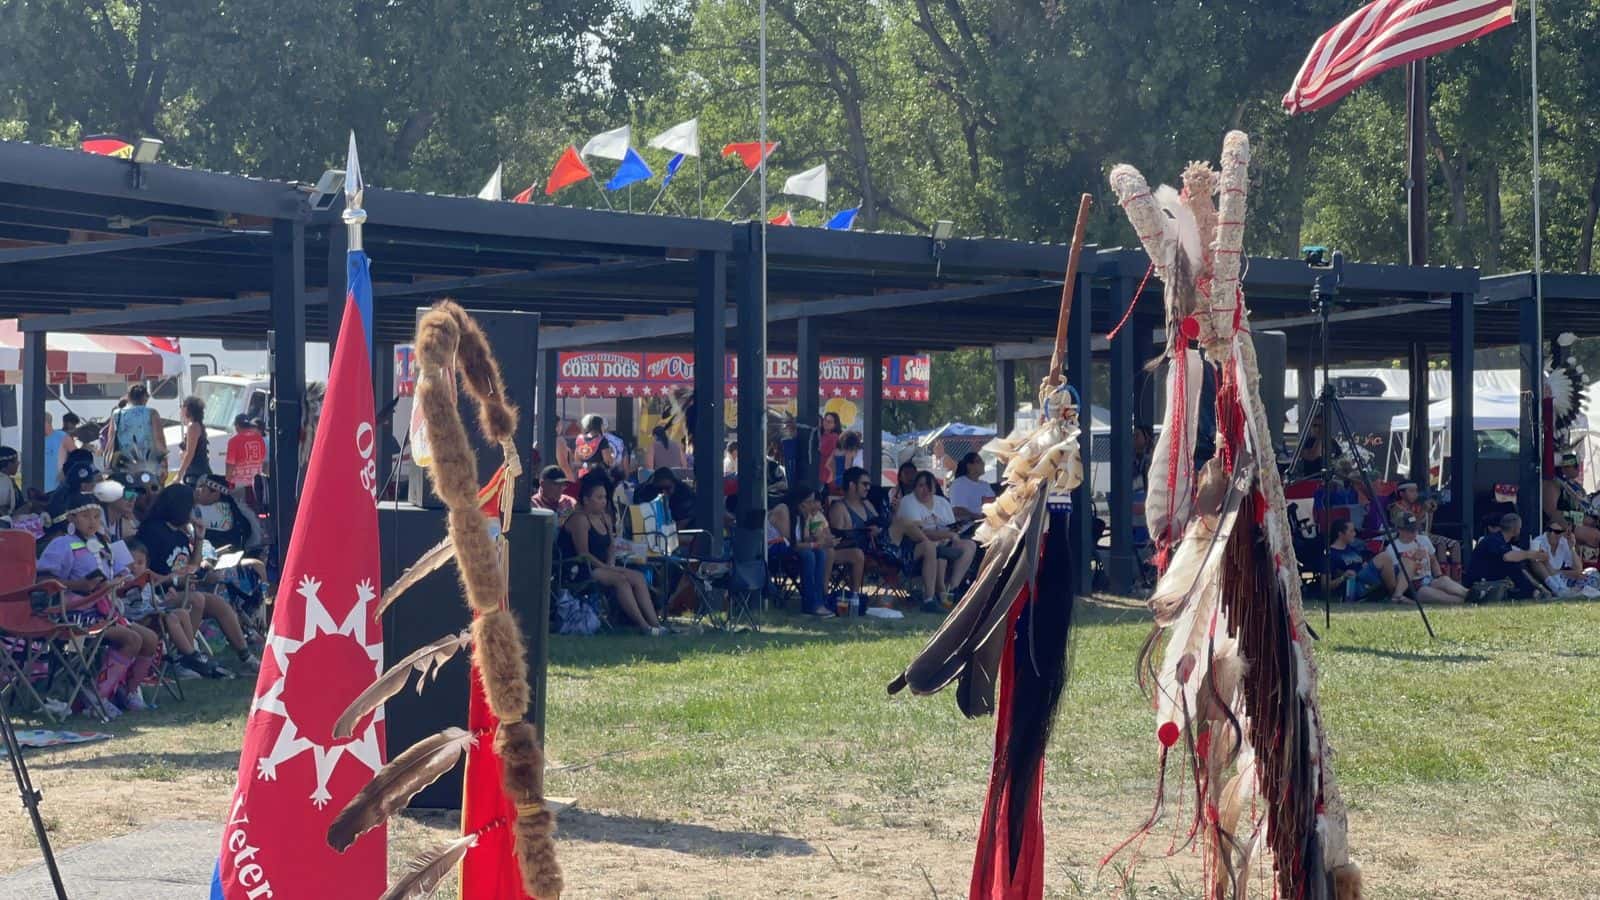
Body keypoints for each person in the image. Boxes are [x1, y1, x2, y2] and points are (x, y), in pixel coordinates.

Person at [35, 494, 162, 713]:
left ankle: (126, 691)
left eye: (96, 516)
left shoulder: (102, 542)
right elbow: (43, 581)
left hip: (105, 608)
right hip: (73, 613)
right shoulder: (62, 543)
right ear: (72, 518)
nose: (92, 521)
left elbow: (123, 573)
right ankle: (96, 697)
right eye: (86, 516)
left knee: (150, 639)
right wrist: (80, 584)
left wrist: (129, 581)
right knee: (131, 639)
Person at [136, 483, 259, 673]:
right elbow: (143, 572)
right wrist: (174, 580)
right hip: (156, 593)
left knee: (219, 604)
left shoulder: (180, 533)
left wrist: (199, 539)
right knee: (196, 600)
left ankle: (246, 656)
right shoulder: (152, 532)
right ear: (178, 506)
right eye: (190, 506)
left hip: (181, 589)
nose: (193, 511)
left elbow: (191, 566)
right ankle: (185, 657)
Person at [562, 474, 666, 635]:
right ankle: (644, 626)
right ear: (586, 499)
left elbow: (612, 545)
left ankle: (656, 624)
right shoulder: (579, 519)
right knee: (621, 580)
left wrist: (610, 564)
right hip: (581, 569)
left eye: (604, 497)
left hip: (603, 566)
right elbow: (584, 554)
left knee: (638, 577)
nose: (603, 501)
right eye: (599, 497)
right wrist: (607, 568)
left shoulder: (605, 518)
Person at [122, 540, 223, 679]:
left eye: (140, 563)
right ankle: (190, 656)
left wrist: (166, 601)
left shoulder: (146, 583)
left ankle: (190, 654)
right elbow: (121, 608)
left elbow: (155, 604)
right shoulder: (122, 584)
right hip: (135, 622)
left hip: (152, 616)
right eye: (130, 563)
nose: (135, 567)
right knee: (172, 617)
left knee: (181, 613)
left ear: (146, 565)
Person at [893, 470, 977, 608]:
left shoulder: (942, 502)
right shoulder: (908, 501)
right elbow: (920, 533)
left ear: (934, 487)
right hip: (918, 546)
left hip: (944, 541)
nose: (925, 489)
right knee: (936, 547)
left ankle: (952, 589)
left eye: (928, 485)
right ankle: (939, 592)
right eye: (921, 485)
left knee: (969, 545)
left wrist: (951, 533)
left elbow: (951, 527)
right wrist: (948, 535)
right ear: (914, 487)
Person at [797, 484, 863, 610]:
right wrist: (821, 540)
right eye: (814, 502)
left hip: (829, 545)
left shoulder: (820, 516)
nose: (818, 505)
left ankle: (855, 596)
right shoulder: (806, 516)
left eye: (818, 502)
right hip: (819, 548)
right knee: (829, 551)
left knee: (857, 553)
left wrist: (833, 539)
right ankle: (824, 591)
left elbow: (828, 532)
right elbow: (808, 537)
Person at [1377, 513, 1467, 604]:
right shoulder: (1393, 548)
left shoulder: (1423, 540)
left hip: (1428, 578)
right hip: (1412, 586)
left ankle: (1469, 593)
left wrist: (1439, 575)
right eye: (1410, 530)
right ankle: (1464, 600)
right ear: (1400, 530)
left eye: (1415, 529)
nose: (1414, 533)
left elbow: (1433, 560)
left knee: (1444, 581)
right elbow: (1396, 574)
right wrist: (1414, 558)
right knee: (1428, 592)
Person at [1464, 512, 1549, 601]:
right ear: (1515, 529)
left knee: (1515, 569)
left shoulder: (1505, 543)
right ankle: (1534, 593)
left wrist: (1540, 587)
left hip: (1490, 581)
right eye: (1520, 528)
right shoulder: (1493, 540)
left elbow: (1519, 569)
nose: (1520, 530)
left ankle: (1535, 593)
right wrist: (1530, 554)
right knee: (1512, 570)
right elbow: (1507, 557)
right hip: (1478, 583)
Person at [104, 383, 166, 479]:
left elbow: (111, 439)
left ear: (128, 397)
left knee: (127, 491)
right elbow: (159, 439)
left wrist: (108, 462)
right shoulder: (152, 413)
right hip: (149, 465)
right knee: (150, 490)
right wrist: (164, 461)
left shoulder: (117, 413)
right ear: (145, 398)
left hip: (124, 465)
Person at [1529, 518, 1598, 597]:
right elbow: (1536, 565)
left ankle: (1574, 591)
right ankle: (1559, 590)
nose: (1552, 534)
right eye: (1549, 530)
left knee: (1592, 572)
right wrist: (1563, 573)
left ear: (1563, 533)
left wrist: (1571, 548)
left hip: (1560, 579)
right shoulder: (1538, 542)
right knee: (1537, 561)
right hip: (1545, 580)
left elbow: (1578, 569)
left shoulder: (1563, 542)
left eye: (1557, 532)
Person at [1545, 452, 1600, 549]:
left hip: (1588, 523)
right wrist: (1576, 526)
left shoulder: (1576, 486)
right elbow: (1552, 513)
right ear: (1564, 468)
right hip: (1572, 528)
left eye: (1577, 466)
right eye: (1574, 466)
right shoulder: (1553, 484)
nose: (1577, 468)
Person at [1325, 519, 1371, 601]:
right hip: (1353, 585)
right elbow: (1325, 586)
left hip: (1366, 579)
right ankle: (1395, 595)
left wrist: (1365, 565)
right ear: (1340, 534)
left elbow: (1363, 564)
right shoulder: (1331, 554)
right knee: (1383, 558)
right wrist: (1343, 577)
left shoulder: (1353, 549)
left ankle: (1395, 594)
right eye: (1351, 531)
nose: (1354, 534)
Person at [225, 413, 268, 496]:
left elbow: (230, 466)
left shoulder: (233, 441)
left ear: (237, 426)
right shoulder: (260, 440)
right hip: (256, 484)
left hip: (240, 486)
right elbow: (263, 463)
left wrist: (227, 483)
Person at [947, 452, 995, 524]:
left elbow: (992, 503)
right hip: (968, 527)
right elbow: (957, 510)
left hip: (987, 523)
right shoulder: (959, 484)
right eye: (979, 461)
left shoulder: (985, 485)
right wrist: (978, 517)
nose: (983, 464)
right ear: (969, 466)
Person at [176, 395, 212, 485]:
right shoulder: (197, 425)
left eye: (182, 406)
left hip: (197, 473)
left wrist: (179, 475)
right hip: (197, 471)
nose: (180, 409)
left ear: (187, 409)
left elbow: (190, 453)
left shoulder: (192, 426)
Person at [818, 411, 843, 485]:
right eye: (825, 420)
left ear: (835, 425)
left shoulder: (834, 437)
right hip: (819, 470)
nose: (826, 423)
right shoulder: (821, 435)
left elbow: (824, 452)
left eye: (829, 422)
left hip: (826, 471)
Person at [0, 446, 19, 520]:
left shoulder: (7, 480)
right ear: (8, 464)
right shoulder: (3, 481)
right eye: (16, 461)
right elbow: (4, 511)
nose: (18, 463)